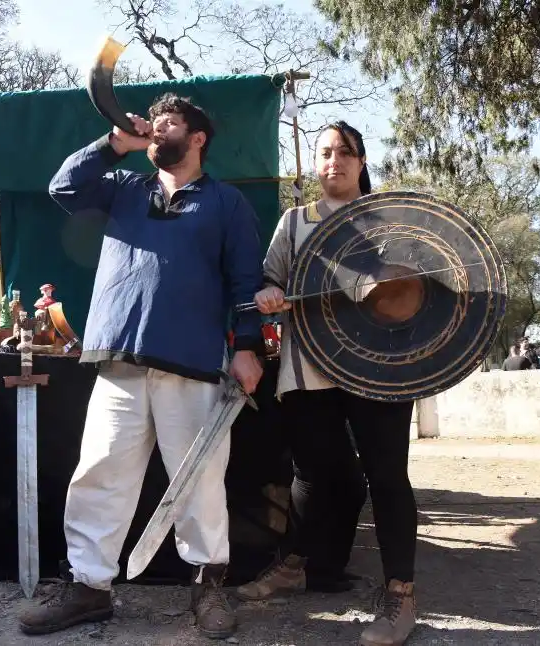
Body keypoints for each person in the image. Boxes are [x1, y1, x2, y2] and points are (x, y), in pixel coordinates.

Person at [17, 93, 266, 639]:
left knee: (197, 482)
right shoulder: (125, 189)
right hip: (120, 360)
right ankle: (88, 588)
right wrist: (114, 145)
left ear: (197, 138)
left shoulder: (225, 203)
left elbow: (247, 282)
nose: (157, 130)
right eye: (152, 124)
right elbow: (64, 188)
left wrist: (248, 346)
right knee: (100, 474)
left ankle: (207, 585)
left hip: (193, 364)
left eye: (169, 123)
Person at [233, 121, 419, 646]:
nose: (333, 161)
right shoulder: (294, 223)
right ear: (315, 164)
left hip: (379, 368)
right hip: (309, 366)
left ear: (361, 161)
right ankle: (294, 565)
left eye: (344, 152)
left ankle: (400, 595)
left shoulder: (395, 220)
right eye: (324, 153)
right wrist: (270, 294)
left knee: (387, 477)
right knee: (313, 473)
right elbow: (269, 279)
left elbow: (426, 287)